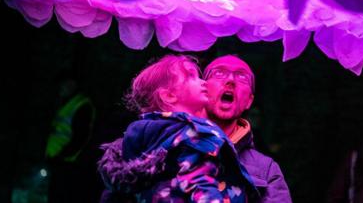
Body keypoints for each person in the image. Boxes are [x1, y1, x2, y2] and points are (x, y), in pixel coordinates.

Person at [98, 55, 257, 203]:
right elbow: (199, 183)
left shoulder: (139, 138)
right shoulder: (193, 133)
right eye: (191, 76)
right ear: (169, 96)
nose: (203, 82)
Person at [203, 55, 292, 203]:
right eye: (219, 73)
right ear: (202, 90)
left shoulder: (266, 169)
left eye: (242, 77)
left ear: (249, 101)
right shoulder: (173, 148)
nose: (230, 80)